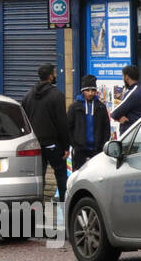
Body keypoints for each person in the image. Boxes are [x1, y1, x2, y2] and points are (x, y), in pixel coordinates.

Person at [21, 63, 71, 202]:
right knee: (61, 175)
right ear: (50, 76)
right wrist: (66, 146)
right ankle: (64, 205)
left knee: (38, 176)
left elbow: (23, 121)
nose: (56, 75)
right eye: (54, 73)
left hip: (34, 144)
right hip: (53, 144)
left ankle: (37, 207)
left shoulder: (28, 96)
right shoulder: (57, 95)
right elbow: (62, 123)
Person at [68, 75, 110, 171]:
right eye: (88, 90)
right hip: (80, 149)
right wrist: (74, 144)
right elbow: (68, 127)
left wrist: (103, 144)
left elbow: (106, 127)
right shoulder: (74, 107)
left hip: (97, 148)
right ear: (83, 91)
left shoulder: (101, 107)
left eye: (93, 90)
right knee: (78, 174)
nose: (90, 93)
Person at [110, 65, 141, 134]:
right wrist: (120, 117)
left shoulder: (134, 92)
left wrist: (118, 117)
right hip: (135, 131)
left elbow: (114, 113)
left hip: (131, 133)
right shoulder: (139, 89)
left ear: (126, 77)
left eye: (123, 76)